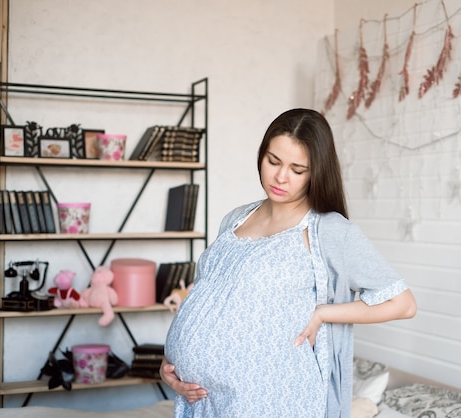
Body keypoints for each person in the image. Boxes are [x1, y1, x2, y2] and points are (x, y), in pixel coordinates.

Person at [160, 108, 417, 417]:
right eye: (273, 161)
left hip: (269, 401)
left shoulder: (330, 231)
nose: (281, 177)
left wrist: (324, 313)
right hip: (203, 400)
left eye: (297, 169)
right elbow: (208, 294)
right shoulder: (237, 218)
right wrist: (173, 364)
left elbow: (403, 303)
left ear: (316, 172)